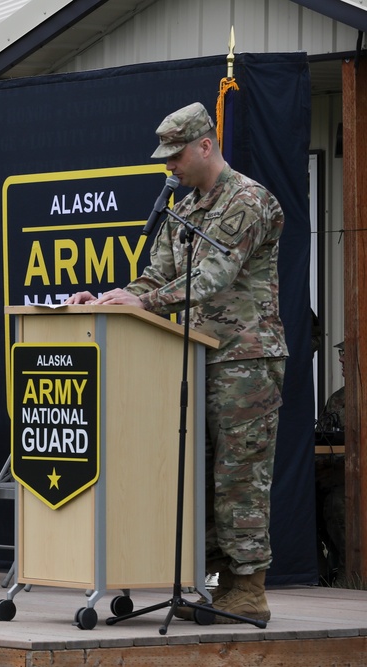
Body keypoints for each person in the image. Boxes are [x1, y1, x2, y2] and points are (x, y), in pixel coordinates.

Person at [66, 102, 288, 623]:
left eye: (177, 154)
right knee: (196, 474)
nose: (169, 165)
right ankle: (208, 581)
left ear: (206, 145)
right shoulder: (182, 209)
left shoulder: (248, 200)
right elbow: (154, 276)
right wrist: (111, 298)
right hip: (187, 356)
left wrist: (146, 301)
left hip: (244, 359)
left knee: (240, 474)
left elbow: (216, 276)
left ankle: (248, 586)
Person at [314, 341, 345, 581]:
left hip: (350, 480)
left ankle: (348, 571)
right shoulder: (338, 399)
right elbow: (324, 439)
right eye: (341, 353)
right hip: (332, 474)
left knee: (337, 505)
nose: (342, 359)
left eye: (347, 353)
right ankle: (318, 572)